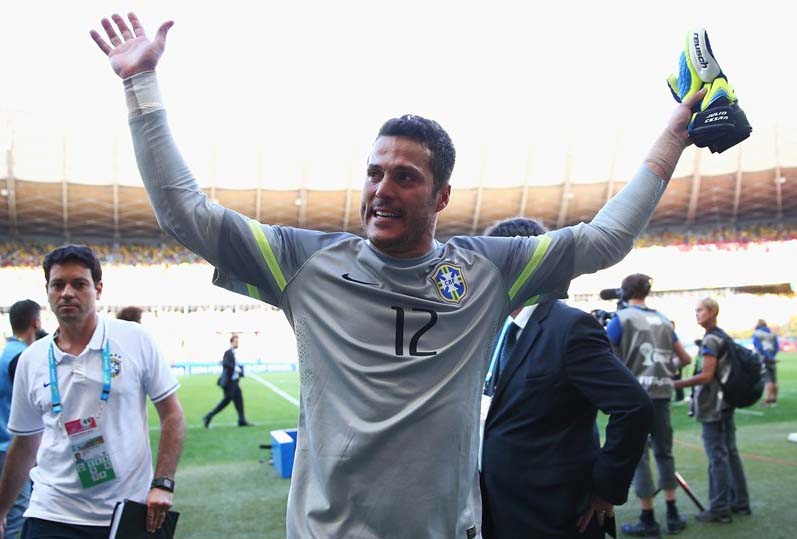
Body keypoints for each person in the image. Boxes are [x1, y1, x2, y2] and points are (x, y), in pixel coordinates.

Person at [91, 12, 705, 538]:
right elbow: (185, 212)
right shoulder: (303, 262)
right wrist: (141, 84)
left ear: (440, 197)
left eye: (405, 176)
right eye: (374, 171)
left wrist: (673, 137)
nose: (382, 189)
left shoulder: (490, 270)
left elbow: (604, 239)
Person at [479, 218, 653, 539]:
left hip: (553, 514)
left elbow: (634, 407)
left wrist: (605, 490)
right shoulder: (498, 328)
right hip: (497, 505)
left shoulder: (571, 328)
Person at [0, 245, 186, 539]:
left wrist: (163, 482)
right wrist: (2, 509)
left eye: (79, 283)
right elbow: (24, 443)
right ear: (47, 291)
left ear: (98, 289)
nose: (67, 293)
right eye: (58, 284)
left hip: (127, 512)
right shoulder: (31, 359)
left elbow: (172, 415)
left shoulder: (135, 339)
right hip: (51, 513)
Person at [605, 274, 692, 536]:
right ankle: (674, 514)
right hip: (663, 394)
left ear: (624, 291)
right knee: (665, 453)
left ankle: (648, 517)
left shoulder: (623, 318)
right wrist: (665, 371)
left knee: (640, 457)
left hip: (636, 397)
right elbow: (685, 358)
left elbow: (604, 354)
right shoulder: (664, 319)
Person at [674, 298, 751, 523]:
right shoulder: (722, 335)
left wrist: (674, 385)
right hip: (726, 403)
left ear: (712, 312)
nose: (696, 314)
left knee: (717, 457)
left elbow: (707, 376)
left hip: (713, 406)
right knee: (730, 453)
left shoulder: (711, 339)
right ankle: (740, 501)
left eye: (700, 310)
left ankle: (719, 507)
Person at [0, 300, 41, 539]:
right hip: (13, 445)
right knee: (15, 511)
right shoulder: (23, 358)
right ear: (36, 322)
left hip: (4, 441)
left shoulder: (6, 354)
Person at [203, 335, 252, 428]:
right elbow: (225, 363)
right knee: (226, 400)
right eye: (236, 341)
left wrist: (239, 371)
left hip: (234, 381)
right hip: (229, 383)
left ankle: (241, 420)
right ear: (232, 342)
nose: (237, 343)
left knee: (239, 398)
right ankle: (208, 416)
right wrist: (235, 368)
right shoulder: (228, 352)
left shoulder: (233, 353)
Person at [752, 319, 778, 407]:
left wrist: (767, 356)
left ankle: (768, 399)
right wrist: (772, 356)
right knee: (774, 379)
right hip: (772, 357)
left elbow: (758, 347)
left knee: (767, 379)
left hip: (763, 358)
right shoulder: (772, 334)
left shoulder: (757, 333)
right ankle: (774, 399)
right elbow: (776, 347)